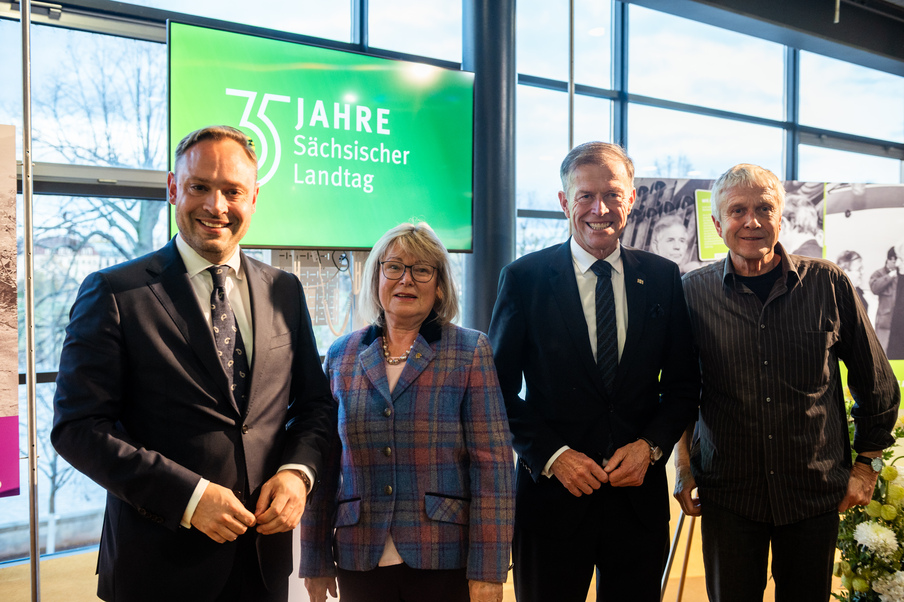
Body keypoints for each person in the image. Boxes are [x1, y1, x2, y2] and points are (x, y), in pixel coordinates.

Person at [51, 125, 336, 602]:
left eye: (233, 191)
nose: (216, 206)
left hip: (263, 566)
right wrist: (189, 497)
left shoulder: (284, 290)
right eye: (199, 186)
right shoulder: (115, 292)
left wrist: (297, 472)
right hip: (157, 569)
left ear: (254, 198)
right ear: (172, 188)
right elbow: (78, 428)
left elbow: (314, 406)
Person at [674, 164, 899, 602]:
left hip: (813, 494)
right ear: (718, 224)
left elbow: (878, 385)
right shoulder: (692, 293)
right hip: (730, 494)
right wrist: (683, 468)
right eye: (737, 211)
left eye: (764, 209)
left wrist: (867, 467)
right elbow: (681, 393)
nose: (752, 221)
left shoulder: (828, 283)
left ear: (782, 218)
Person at [488, 141, 700, 602]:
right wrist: (553, 456)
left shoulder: (662, 277)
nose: (599, 209)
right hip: (552, 502)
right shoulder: (524, 279)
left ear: (632, 198)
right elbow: (495, 392)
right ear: (564, 202)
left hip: (637, 504)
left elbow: (683, 386)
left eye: (612, 194)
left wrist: (650, 448)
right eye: (585, 195)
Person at [299, 222, 515, 602]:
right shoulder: (341, 355)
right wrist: (315, 558)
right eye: (394, 267)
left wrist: (488, 570)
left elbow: (492, 469)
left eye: (422, 270)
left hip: (443, 555)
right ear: (377, 278)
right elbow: (325, 463)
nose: (406, 280)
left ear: (440, 285)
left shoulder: (469, 351)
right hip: (358, 555)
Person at [870, 246, 898, 352]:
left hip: (899, 323)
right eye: (896, 261)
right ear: (890, 260)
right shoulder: (878, 273)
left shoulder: (901, 275)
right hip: (884, 324)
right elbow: (874, 288)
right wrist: (890, 276)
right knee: (882, 353)